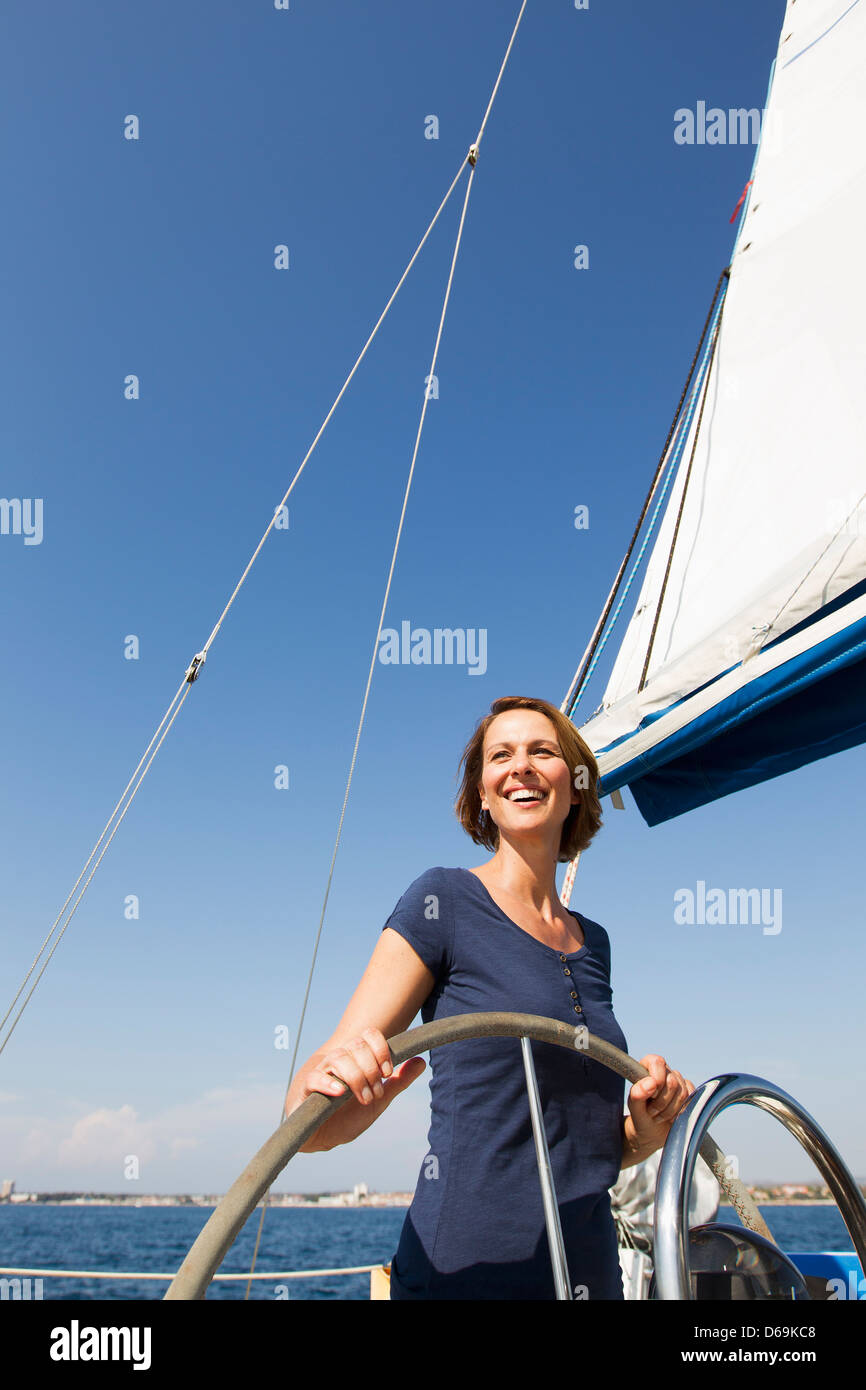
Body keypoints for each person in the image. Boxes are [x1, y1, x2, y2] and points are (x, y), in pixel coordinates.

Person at [285, 695, 694, 1299]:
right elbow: (305, 1120)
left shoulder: (596, 942)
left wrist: (646, 1129)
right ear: (482, 792)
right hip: (463, 1275)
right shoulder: (442, 902)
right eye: (501, 755)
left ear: (576, 784)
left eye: (542, 752)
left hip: (589, 1277)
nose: (521, 766)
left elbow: (586, 1149)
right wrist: (347, 1100)